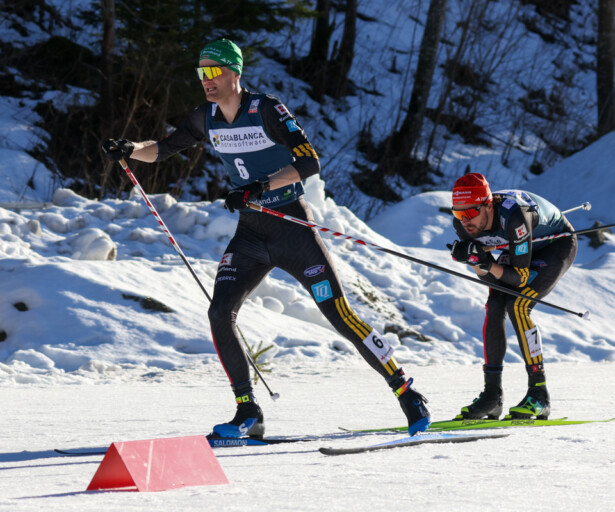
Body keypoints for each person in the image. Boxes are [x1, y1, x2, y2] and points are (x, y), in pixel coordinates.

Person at [102, 38, 430, 437]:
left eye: (214, 71)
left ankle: (406, 390)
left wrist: (258, 188)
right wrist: (129, 148)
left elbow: (308, 162)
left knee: (338, 314)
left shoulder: (266, 109)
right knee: (220, 312)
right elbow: (164, 149)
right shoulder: (205, 117)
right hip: (251, 236)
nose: (206, 80)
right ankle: (248, 412)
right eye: (201, 72)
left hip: (292, 227)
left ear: (234, 74)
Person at [447, 173, 577, 420]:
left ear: (488, 205)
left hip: (555, 245)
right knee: (495, 304)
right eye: (458, 214)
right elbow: (490, 278)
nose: (464, 221)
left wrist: (486, 263)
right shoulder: (465, 223)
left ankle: (539, 394)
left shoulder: (514, 216)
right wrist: (476, 262)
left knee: (518, 305)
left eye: (470, 213)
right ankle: (492, 396)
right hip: (517, 248)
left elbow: (519, 277)